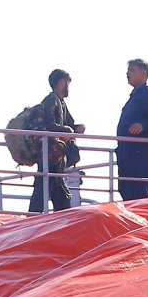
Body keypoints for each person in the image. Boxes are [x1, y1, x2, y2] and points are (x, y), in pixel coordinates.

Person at [29, 69, 84, 213]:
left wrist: (76, 128)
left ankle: (59, 218)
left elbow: (69, 124)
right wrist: (66, 131)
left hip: (56, 156)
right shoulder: (52, 100)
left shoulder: (61, 103)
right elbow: (48, 125)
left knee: (56, 190)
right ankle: (33, 219)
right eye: (67, 83)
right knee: (44, 187)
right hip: (51, 154)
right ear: (62, 82)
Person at [114, 59, 148, 201]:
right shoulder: (136, 96)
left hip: (141, 155)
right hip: (128, 155)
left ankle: (140, 223)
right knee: (126, 190)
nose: (127, 73)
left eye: (132, 70)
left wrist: (143, 126)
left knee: (137, 194)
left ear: (143, 73)